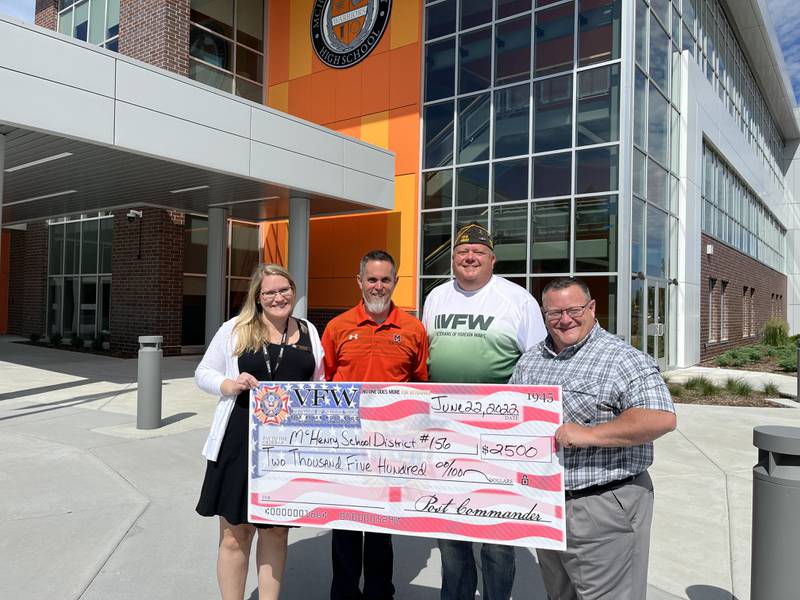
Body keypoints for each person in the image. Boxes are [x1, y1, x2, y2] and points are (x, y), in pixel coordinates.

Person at [509, 277, 676, 600]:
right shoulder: (530, 360)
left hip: (602, 505)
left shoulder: (622, 358)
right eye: (554, 312)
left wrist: (588, 434)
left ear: (592, 308)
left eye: (573, 309)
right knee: (560, 594)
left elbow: (660, 417)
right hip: (545, 505)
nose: (565, 319)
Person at [421, 223, 547, 600]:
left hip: (499, 434)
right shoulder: (436, 297)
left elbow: (537, 363)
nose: (469, 257)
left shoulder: (517, 299)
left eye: (478, 252)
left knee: (496, 535)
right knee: (451, 529)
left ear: (492, 259)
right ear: (453, 260)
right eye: (462, 253)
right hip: (445, 431)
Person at [195, 263, 325, 600]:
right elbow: (203, 372)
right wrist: (230, 383)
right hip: (240, 440)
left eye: (285, 290)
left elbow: (320, 384)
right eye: (270, 292)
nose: (279, 297)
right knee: (234, 534)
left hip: (287, 446)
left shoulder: (309, 331)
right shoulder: (236, 329)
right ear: (258, 296)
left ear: (293, 291)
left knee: (276, 532)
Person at [321, 249, 429, 600]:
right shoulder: (338, 327)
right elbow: (323, 382)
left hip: (392, 447)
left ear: (395, 282)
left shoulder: (413, 329)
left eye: (385, 280)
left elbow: (421, 383)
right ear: (360, 282)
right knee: (346, 525)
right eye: (372, 279)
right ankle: (344, 593)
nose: (378, 286)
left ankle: (381, 593)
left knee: (382, 524)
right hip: (346, 445)